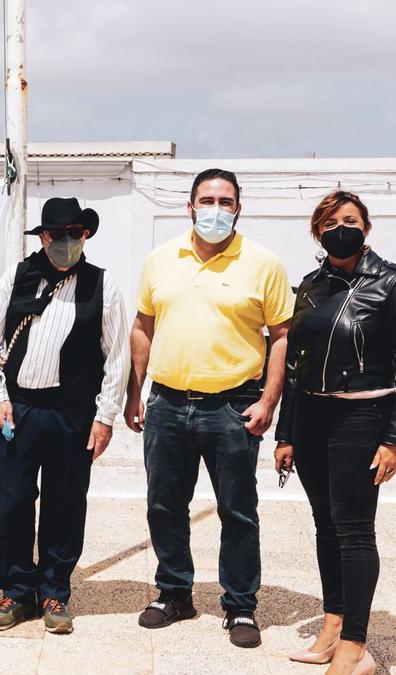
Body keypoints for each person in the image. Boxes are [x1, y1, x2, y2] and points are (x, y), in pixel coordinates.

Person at [125, 168, 294, 649]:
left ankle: (240, 605)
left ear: (238, 207)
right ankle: (174, 593)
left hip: (233, 407)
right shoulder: (161, 260)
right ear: (190, 206)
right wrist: (134, 392)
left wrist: (268, 401)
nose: (215, 209)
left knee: (238, 510)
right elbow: (142, 326)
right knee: (164, 506)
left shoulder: (264, 263)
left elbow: (281, 335)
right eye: (206, 199)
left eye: (225, 201)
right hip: (167, 405)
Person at [275, 191, 396, 675]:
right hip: (311, 419)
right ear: (316, 231)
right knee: (325, 525)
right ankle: (333, 623)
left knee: (355, 530)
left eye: (349, 219)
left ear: (366, 227)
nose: (339, 227)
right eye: (329, 221)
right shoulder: (311, 285)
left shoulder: (394, 284)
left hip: (363, 419)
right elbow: (295, 362)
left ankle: (355, 647)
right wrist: (286, 433)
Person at [0, 197, 128, 633]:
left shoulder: (103, 285)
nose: (65, 242)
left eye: (75, 234)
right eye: (57, 235)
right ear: (42, 237)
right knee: (11, 505)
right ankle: (16, 591)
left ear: (85, 235)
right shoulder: (17, 277)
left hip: (72, 415)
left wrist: (105, 417)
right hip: (17, 411)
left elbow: (116, 357)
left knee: (65, 505)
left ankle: (55, 592)